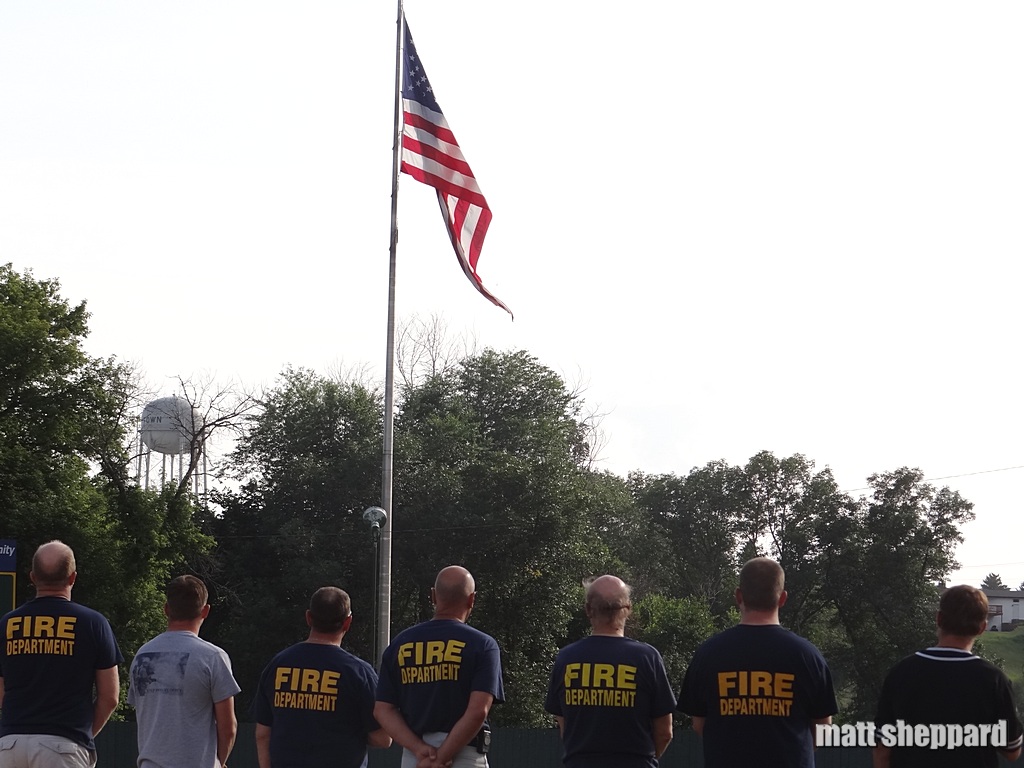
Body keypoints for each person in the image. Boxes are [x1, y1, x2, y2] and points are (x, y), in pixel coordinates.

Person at [677, 557, 837, 768]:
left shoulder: (709, 654)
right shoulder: (808, 656)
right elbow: (823, 729)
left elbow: (699, 724)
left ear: (738, 596)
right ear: (782, 598)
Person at [0, 540, 123, 768]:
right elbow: (110, 696)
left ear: (33, 578)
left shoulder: (7, 624)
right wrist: (81, 736)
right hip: (64, 744)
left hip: (10, 744)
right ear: (72, 578)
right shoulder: (93, 623)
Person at [873, 584, 1024, 767]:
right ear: (982, 628)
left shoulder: (901, 672)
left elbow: (882, 750)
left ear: (939, 619)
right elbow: (1012, 751)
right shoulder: (994, 680)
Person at [374, 565, 504, 768]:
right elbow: (478, 711)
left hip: (415, 758)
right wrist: (443, 756)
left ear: (433, 596)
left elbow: (383, 710)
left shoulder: (400, 644)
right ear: (472, 599)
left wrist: (419, 749)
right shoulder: (483, 645)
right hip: (464, 755)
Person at [544, 575, 676, 768]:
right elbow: (665, 732)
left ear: (588, 609)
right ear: (628, 609)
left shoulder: (566, 659)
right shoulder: (647, 658)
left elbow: (565, 728)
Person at [254, 586, 391, 768]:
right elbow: (383, 738)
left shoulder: (277, 665)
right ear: (348, 622)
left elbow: (263, 733)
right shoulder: (359, 673)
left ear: (309, 618)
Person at [129, 575, 241, 768]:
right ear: (205, 611)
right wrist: (219, 762)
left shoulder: (142, 655)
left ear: (166, 609)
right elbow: (228, 726)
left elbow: (144, 712)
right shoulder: (212, 656)